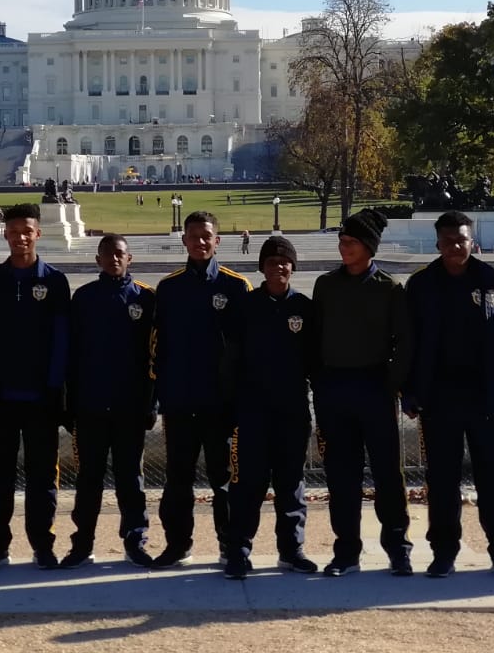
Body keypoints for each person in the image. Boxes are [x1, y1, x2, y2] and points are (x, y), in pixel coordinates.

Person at [404, 211, 494, 579]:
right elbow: (407, 343)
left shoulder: (492, 281)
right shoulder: (421, 284)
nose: (457, 246)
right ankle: (444, 553)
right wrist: (408, 391)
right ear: (438, 243)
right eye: (449, 241)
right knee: (441, 479)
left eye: (463, 240)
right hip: (438, 400)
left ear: (472, 241)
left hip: (486, 399)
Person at [311, 208, 415, 577]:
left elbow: (403, 343)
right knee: (342, 475)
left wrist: (390, 382)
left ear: (369, 247)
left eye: (351, 242)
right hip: (335, 389)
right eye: (342, 241)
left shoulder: (389, 289)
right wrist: (319, 380)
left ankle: (398, 548)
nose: (343, 248)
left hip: (374, 388)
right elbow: (314, 335)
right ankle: (346, 551)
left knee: (388, 473)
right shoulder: (326, 285)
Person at [151, 210, 253, 567]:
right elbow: (157, 348)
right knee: (177, 481)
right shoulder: (168, 288)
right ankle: (178, 544)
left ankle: (231, 546)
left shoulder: (236, 286)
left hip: (220, 404)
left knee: (224, 481)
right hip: (179, 401)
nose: (200, 242)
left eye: (206, 236)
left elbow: (248, 349)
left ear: (217, 240)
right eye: (193, 236)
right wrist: (158, 395)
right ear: (184, 240)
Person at [0, 203, 72, 571]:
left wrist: (55, 387)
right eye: (14, 231)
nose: (20, 237)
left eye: (26, 231)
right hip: (1, 397)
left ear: (38, 233)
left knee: (42, 477)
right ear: (5, 234)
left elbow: (62, 339)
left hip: (41, 397)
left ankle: (42, 545)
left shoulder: (55, 281)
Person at [221, 236, 318, 579]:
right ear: (262, 267)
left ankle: (292, 551)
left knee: (291, 483)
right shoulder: (245, 307)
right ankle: (239, 552)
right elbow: (230, 361)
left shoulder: (305, 309)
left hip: (291, 411)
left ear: (293, 267)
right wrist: (231, 406)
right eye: (272, 261)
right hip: (253, 411)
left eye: (285, 262)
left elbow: (315, 364)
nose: (279, 267)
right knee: (248, 485)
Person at [61, 234, 157, 569]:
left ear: (130, 258)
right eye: (108, 254)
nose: (114, 259)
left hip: (129, 407)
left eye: (120, 254)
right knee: (89, 479)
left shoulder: (145, 299)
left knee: (131, 478)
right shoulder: (84, 298)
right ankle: (82, 543)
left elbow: (153, 357)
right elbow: (71, 356)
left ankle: (135, 540)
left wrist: (151, 404)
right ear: (98, 259)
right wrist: (69, 404)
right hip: (90, 405)